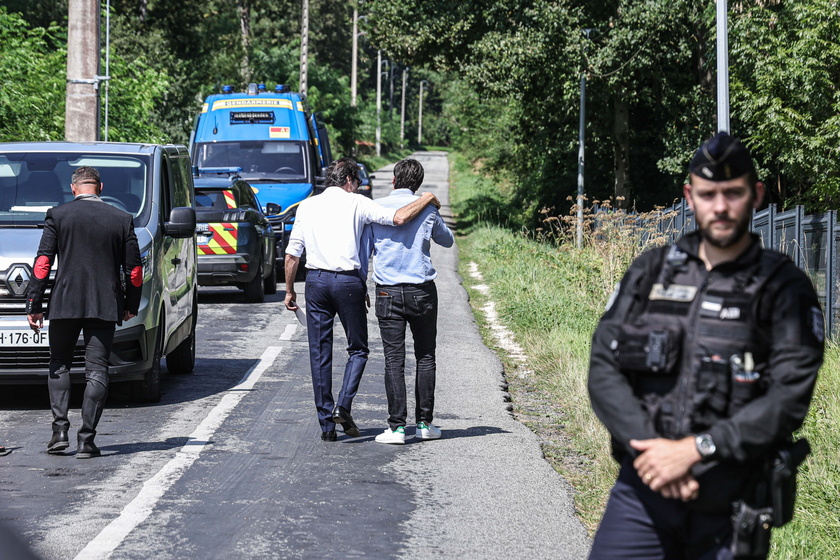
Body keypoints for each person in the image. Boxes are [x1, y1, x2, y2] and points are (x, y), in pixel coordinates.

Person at [587, 132, 824, 560]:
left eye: (733, 193)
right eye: (708, 193)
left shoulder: (785, 288)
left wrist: (695, 450)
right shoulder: (650, 271)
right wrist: (654, 454)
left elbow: (789, 398)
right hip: (643, 493)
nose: (720, 206)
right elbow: (604, 365)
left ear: (755, 195)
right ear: (689, 196)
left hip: (730, 506)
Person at [284, 157, 440, 442]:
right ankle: (343, 405)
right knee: (358, 349)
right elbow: (399, 218)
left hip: (316, 283)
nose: (356, 188)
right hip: (347, 283)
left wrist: (290, 291)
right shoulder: (358, 203)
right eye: (355, 183)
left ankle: (327, 426)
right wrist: (427, 198)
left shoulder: (306, 206)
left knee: (319, 353)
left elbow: (293, 254)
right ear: (348, 181)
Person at [26, 166, 142, 459]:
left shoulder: (58, 215)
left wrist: (34, 304)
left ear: (74, 188)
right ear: (100, 187)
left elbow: (42, 263)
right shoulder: (122, 219)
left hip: (65, 303)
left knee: (60, 363)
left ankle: (59, 432)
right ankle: (86, 440)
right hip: (104, 305)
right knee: (97, 370)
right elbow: (135, 271)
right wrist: (130, 304)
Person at [363, 158, 454, 445]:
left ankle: (397, 428)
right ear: (418, 184)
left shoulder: (376, 207)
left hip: (388, 291)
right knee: (426, 356)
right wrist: (432, 211)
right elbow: (448, 241)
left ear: (394, 180)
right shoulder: (426, 208)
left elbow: (365, 249)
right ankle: (425, 423)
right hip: (422, 291)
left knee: (394, 359)